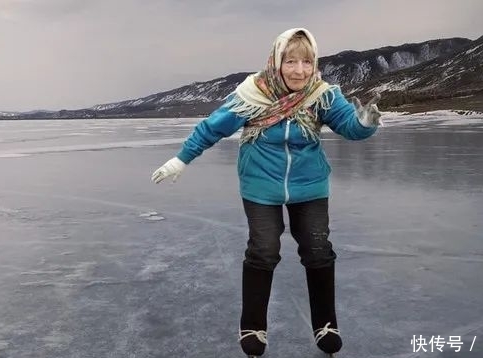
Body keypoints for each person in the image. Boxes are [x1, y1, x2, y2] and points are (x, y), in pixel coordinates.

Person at [151, 27, 382, 357]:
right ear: (276, 61)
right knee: (264, 249)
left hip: (310, 185)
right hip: (260, 186)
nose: (300, 70)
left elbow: (349, 125)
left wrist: (365, 122)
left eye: (306, 61)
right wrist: (180, 160)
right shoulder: (251, 95)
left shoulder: (323, 95)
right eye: (291, 61)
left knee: (318, 249)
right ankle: (252, 326)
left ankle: (326, 325)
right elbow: (211, 128)